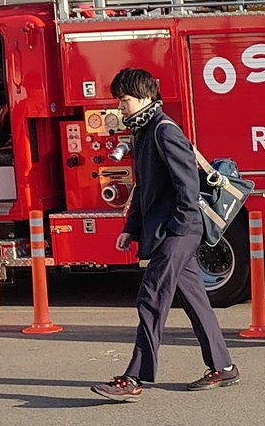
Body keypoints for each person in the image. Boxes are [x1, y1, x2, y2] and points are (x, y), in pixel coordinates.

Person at [91, 67, 238, 400]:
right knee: (195, 301)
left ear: (145, 97)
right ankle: (224, 367)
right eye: (118, 100)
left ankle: (134, 377)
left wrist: (177, 229)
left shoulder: (163, 131)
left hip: (178, 230)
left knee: (151, 298)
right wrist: (130, 228)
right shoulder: (143, 132)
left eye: (124, 100)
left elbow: (187, 186)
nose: (120, 107)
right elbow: (144, 188)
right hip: (172, 230)